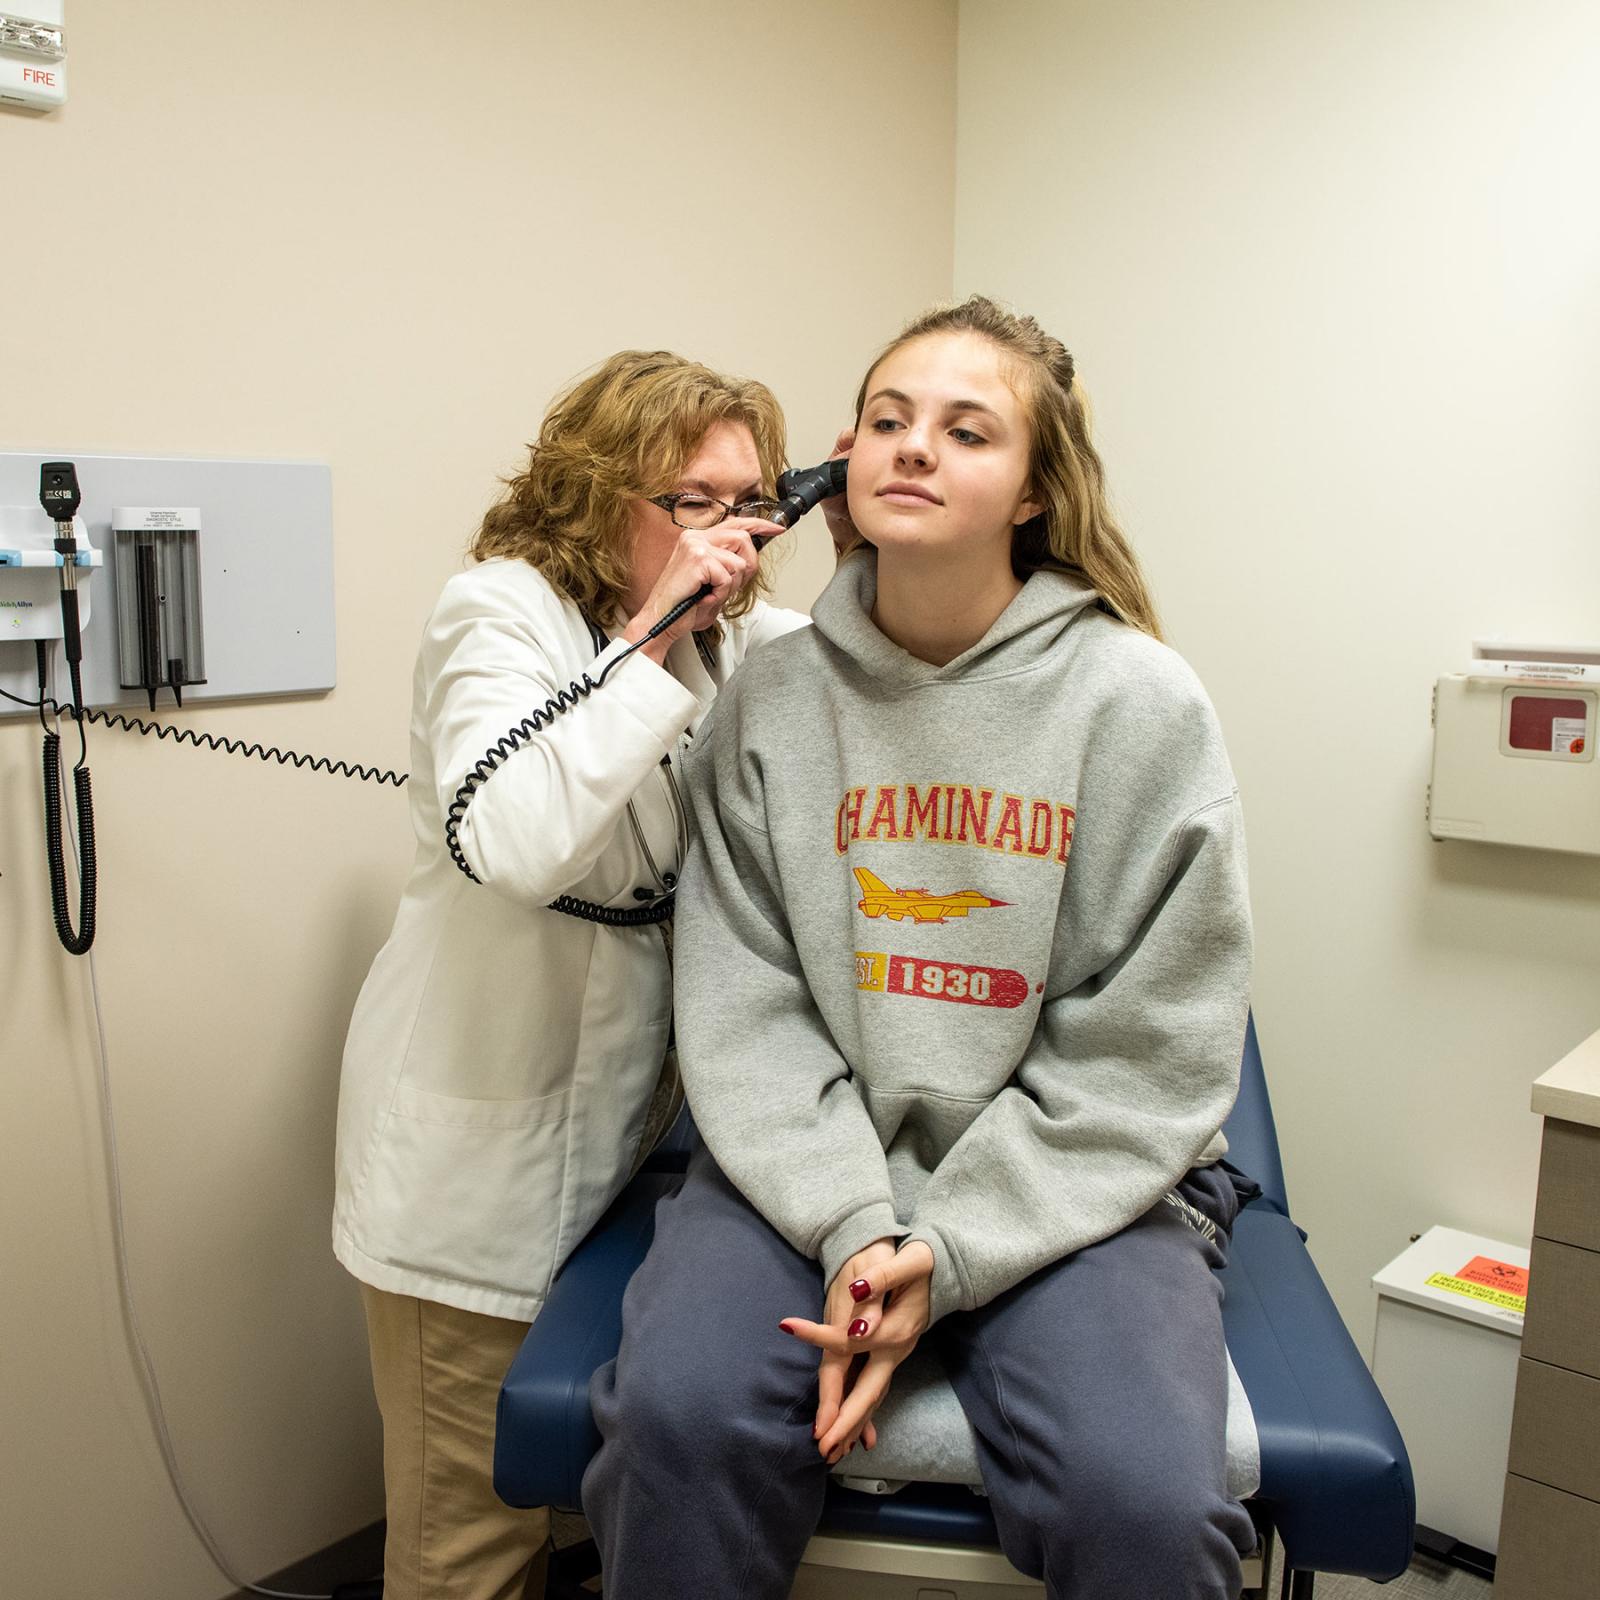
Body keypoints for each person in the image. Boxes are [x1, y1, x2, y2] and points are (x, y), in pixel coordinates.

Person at [584, 297, 1259, 1600]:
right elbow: (744, 1010)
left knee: (1146, 1501)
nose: (913, 447)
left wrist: (946, 1253)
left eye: (966, 429)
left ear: (1033, 489)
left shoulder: (1140, 706)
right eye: (887, 419)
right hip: (805, 1170)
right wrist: (850, 1225)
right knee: (677, 1427)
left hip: (1075, 1190)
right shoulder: (771, 702)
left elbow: (1147, 1052)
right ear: (848, 457)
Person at [332, 349, 806, 1600]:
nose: (732, 539)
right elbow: (521, 839)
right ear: (600, 496)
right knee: (471, 1547)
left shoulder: (747, 638)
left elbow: (876, 666)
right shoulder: (496, 610)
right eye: (692, 502)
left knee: (578, 1512)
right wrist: (656, 639)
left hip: (623, 1168)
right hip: (473, 1172)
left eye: (748, 503)